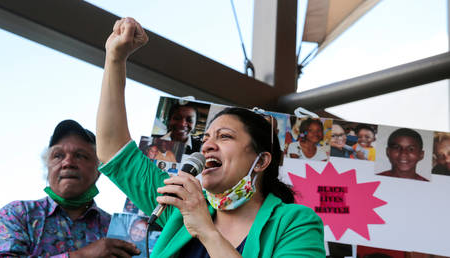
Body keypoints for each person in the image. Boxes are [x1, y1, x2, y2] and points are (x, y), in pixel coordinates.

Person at [96, 17, 325, 257]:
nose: (207, 147)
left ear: (262, 160)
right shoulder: (180, 209)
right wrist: (115, 58)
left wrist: (205, 229)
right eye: (205, 139)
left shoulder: (295, 223)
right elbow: (114, 152)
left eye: (224, 137)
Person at [0, 120, 140, 257]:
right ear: (47, 166)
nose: (68, 162)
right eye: (58, 156)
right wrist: (82, 256)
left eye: (80, 156)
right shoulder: (18, 214)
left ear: (99, 169)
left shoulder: (115, 230)